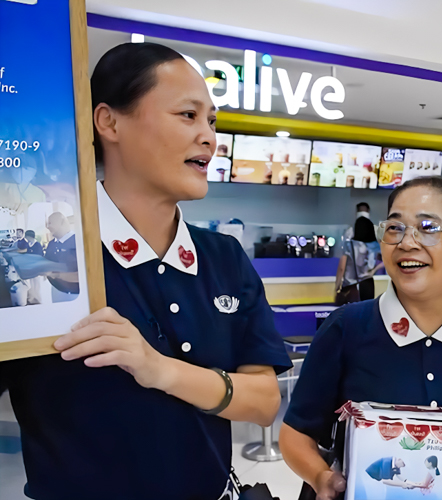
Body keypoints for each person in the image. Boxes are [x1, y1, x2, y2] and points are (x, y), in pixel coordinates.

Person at [0, 42, 291, 500]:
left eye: (212, 121)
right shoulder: (50, 257)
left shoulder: (224, 257)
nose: (209, 137)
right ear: (109, 122)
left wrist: (157, 368)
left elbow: (263, 401)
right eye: (188, 115)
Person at [280, 177, 442, 500]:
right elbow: (296, 433)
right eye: (395, 228)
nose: (407, 242)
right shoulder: (345, 328)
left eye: (427, 227)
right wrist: (321, 477)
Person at [335, 206, 384, 304]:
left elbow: (341, 268)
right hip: (368, 283)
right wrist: (374, 270)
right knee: (366, 312)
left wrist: (337, 287)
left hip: (351, 285)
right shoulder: (374, 245)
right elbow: (387, 260)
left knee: (351, 314)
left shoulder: (349, 245)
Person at [43, 212, 79, 303]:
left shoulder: (78, 242)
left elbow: (83, 275)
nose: (47, 227)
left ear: (62, 222)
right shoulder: (51, 244)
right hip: (55, 291)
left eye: (50, 223)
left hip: (74, 296)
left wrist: (56, 274)